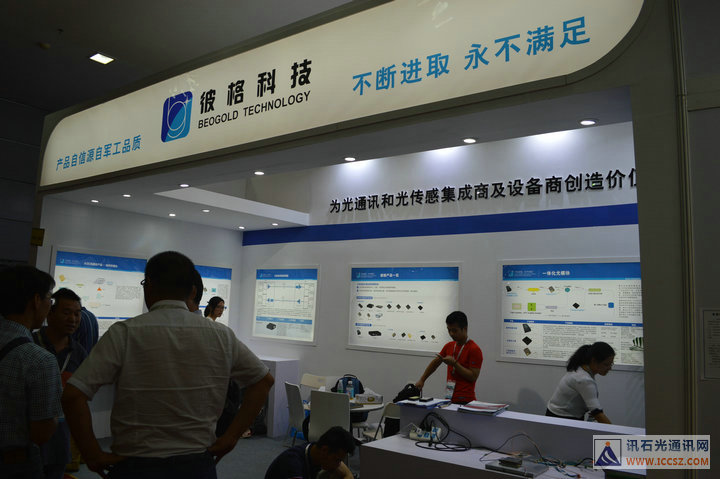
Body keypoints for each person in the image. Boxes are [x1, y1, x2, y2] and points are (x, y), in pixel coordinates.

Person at [62, 251, 274, 479]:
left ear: (148, 286)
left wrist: (92, 453)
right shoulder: (222, 335)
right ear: (192, 291)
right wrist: (231, 438)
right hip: (197, 465)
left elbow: (73, 395)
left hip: (136, 466)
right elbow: (263, 381)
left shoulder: (124, 333)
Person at [0, 265, 62, 479]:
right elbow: (41, 433)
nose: (50, 305)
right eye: (50, 298)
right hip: (14, 465)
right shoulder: (39, 360)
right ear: (36, 300)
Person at [32, 288, 88, 479]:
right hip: (29, 439)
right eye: (66, 312)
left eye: (77, 314)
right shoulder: (31, 344)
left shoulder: (79, 353)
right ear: (50, 314)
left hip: (60, 442)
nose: (73, 319)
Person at [415, 311, 483, 404]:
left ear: (465, 329)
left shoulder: (474, 349)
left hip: (466, 400)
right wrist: (422, 380)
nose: (451, 334)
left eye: (454, 331)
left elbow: (473, 377)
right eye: (449, 330)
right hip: (449, 398)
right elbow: (435, 363)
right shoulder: (449, 346)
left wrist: (454, 364)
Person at [545, 342, 615, 424]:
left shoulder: (581, 368)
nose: (610, 368)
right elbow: (597, 413)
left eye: (611, 364)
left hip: (561, 415)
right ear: (594, 361)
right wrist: (614, 431)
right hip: (561, 418)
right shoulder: (583, 379)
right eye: (606, 364)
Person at [264, 426, 355, 479]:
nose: (338, 465)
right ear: (325, 450)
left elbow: (349, 475)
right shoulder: (293, 464)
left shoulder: (316, 450)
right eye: (337, 460)